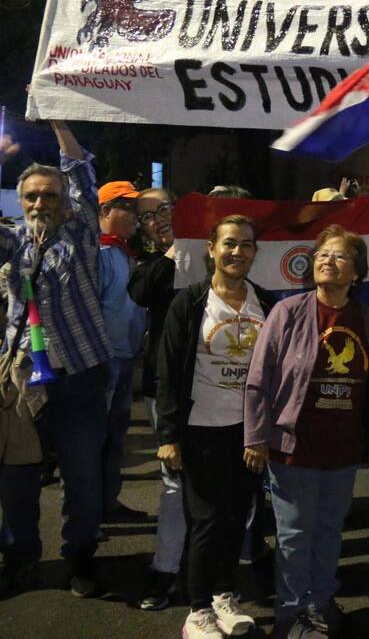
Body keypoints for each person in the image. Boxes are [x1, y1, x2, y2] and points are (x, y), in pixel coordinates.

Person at [0, 122, 114, 598]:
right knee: (18, 478)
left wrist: (57, 121)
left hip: (81, 375)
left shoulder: (81, 234)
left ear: (64, 202)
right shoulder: (12, 242)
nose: (38, 205)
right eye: (30, 197)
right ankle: (21, 557)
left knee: (82, 475)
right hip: (25, 378)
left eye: (48, 196)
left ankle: (80, 556)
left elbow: (81, 173)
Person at [244, 226, 369, 638]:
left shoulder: (367, 316)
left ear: (356, 271)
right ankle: (290, 612)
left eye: (338, 256)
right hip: (292, 447)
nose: (326, 260)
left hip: (342, 448)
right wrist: (255, 436)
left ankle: (320, 603)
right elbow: (258, 378)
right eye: (322, 254)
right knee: (294, 535)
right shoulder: (289, 311)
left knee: (329, 532)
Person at [156, 215, 277, 639]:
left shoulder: (266, 301)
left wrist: (264, 433)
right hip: (201, 427)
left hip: (248, 432)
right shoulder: (189, 302)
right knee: (207, 520)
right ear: (211, 249)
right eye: (229, 243)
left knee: (237, 517)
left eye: (246, 244)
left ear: (255, 253)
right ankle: (197, 611)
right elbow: (168, 371)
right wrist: (168, 436)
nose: (237, 252)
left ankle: (225, 596)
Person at [129, 187, 186, 610]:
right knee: (173, 482)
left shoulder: (215, 252)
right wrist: (173, 250)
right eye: (149, 215)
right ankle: (166, 570)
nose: (160, 218)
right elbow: (143, 293)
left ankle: (220, 573)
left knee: (220, 481)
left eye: (166, 209)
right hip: (165, 388)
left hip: (219, 383)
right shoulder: (150, 264)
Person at [95, 179, 148, 525]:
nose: (134, 216)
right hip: (103, 361)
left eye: (135, 208)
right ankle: (90, 513)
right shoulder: (99, 254)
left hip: (125, 357)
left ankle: (107, 502)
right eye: (125, 207)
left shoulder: (125, 252)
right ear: (104, 211)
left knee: (115, 436)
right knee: (94, 440)